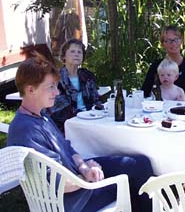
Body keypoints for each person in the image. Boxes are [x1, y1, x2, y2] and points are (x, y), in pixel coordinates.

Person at [7, 54, 154, 212]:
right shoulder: (26, 129)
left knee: (140, 163)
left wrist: (84, 167)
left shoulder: (40, 116)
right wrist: (87, 178)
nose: (56, 93)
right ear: (30, 90)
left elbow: (67, 148)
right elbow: (57, 184)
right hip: (72, 201)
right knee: (133, 181)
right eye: (50, 87)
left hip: (76, 178)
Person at [47, 38, 102, 132]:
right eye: (72, 51)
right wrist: (84, 116)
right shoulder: (56, 79)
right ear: (64, 56)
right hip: (67, 125)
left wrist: (99, 111)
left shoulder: (87, 76)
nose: (76, 54)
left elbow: (96, 100)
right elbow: (59, 110)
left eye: (79, 52)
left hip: (92, 119)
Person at [142, 25, 185, 102]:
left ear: (181, 41)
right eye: (168, 41)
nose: (173, 44)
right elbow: (144, 93)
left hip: (184, 111)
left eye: (176, 39)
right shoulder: (156, 66)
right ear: (163, 44)